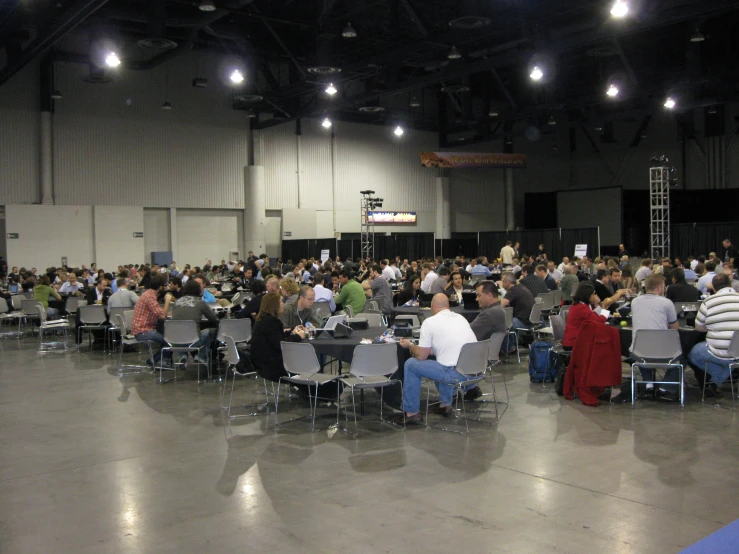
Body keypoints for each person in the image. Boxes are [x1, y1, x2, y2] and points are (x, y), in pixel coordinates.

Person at [395, 294, 479, 425]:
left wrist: (411, 345)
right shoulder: (460, 318)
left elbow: (422, 356)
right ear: (448, 306)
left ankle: (412, 413)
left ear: (432, 307)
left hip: (456, 375)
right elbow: (447, 346)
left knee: (411, 364)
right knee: (443, 361)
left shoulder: (429, 322)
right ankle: (445, 406)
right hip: (475, 371)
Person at [630, 274, 680, 401]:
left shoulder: (634, 302)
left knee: (642, 349)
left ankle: (648, 384)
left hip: (638, 351)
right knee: (682, 356)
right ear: (659, 287)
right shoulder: (667, 303)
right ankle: (666, 388)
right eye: (664, 286)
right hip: (661, 351)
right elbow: (674, 327)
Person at [688, 273, 739, 397]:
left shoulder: (708, 302)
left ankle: (717, 377)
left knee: (692, 353)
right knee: (732, 359)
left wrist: (714, 327)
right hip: (738, 350)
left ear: (714, 288)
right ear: (730, 284)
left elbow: (699, 328)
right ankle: (721, 377)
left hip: (718, 351)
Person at [171, 280, 219, 364]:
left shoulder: (177, 302)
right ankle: (202, 356)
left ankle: (183, 356)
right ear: (199, 290)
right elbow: (213, 318)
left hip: (174, 341)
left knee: (181, 331)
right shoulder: (200, 302)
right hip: (193, 342)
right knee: (212, 331)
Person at [131, 275, 174, 367]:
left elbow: (157, 312)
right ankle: (154, 360)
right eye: (164, 286)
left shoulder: (148, 294)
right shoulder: (150, 297)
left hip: (143, 329)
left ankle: (163, 360)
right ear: (160, 287)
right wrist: (168, 301)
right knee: (171, 341)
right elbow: (162, 316)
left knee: (167, 336)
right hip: (143, 331)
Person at [562, 282, 607, 349]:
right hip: (574, 342)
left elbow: (592, 316)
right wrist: (604, 309)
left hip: (574, 340)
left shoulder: (580, 305)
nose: (595, 296)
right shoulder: (581, 308)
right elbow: (600, 322)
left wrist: (598, 306)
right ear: (588, 295)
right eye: (593, 294)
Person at [499, 271, 535, 349]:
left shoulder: (513, 291)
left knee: (503, 324)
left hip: (524, 322)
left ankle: (508, 347)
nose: (501, 283)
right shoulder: (522, 287)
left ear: (508, 283)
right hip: (532, 320)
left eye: (502, 281)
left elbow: (500, 306)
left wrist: (501, 288)